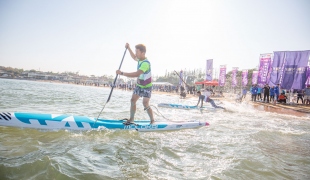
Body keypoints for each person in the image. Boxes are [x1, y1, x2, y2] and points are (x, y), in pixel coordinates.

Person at [116, 43, 155, 125]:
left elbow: (137, 74)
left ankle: (152, 120)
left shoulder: (145, 63)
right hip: (139, 85)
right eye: (135, 51)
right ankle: (131, 119)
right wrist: (129, 48)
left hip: (147, 87)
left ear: (143, 53)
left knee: (145, 103)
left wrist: (122, 73)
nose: (136, 53)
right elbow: (134, 57)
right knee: (133, 100)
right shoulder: (140, 60)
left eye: (137, 51)